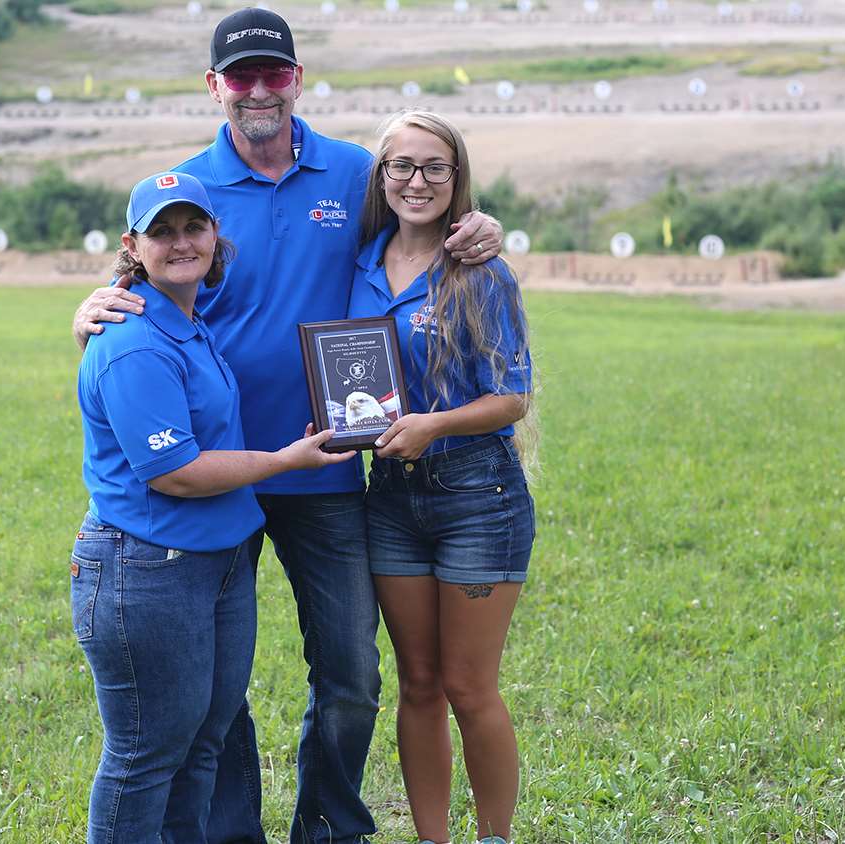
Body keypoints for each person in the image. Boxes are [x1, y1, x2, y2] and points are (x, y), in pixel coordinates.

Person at [71, 9, 504, 842]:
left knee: (350, 673)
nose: (259, 90)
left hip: (329, 467)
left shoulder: (354, 173)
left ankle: (329, 827)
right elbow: (147, 287)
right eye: (242, 77)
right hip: (217, 477)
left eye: (275, 74)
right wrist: (88, 306)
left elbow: (427, 208)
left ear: (298, 80)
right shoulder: (189, 189)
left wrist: (479, 227)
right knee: (217, 693)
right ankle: (232, 834)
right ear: (215, 88)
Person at [72, 170, 355, 843]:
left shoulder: (189, 321)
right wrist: (286, 460)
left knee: (203, 744)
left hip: (216, 561)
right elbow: (176, 472)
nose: (180, 242)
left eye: (192, 226)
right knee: (147, 757)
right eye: (161, 231)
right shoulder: (132, 338)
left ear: (214, 233)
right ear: (131, 245)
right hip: (148, 568)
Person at [346, 111, 539, 844]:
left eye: (435, 167)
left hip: (477, 496)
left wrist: (433, 424)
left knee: (468, 687)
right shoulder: (357, 263)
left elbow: (513, 396)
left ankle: (493, 838)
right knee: (418, 685)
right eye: (402, 166)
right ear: (382, 177)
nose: (417, 181)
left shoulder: (481, 270)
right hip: (390, 498)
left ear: (457, 179)